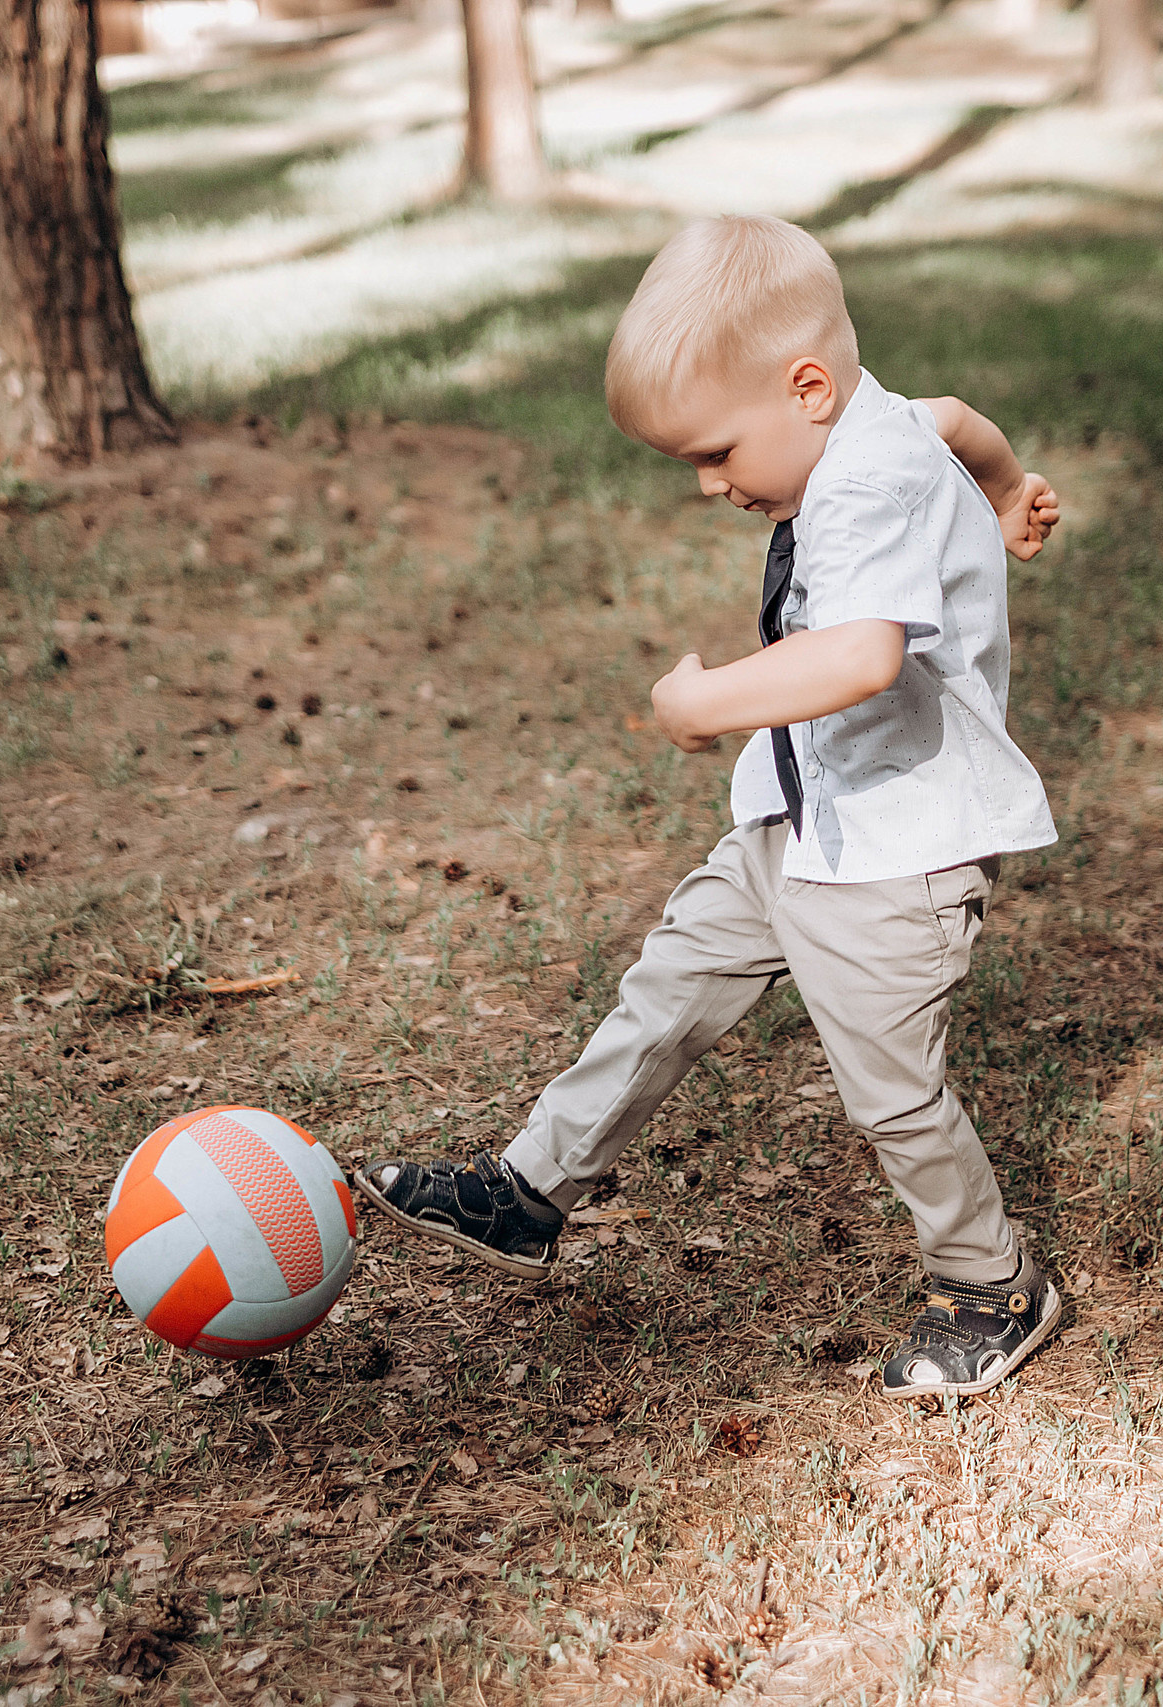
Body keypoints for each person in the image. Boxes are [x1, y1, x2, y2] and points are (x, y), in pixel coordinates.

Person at [358, 214, 1066, 1398]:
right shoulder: (878, 423)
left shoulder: (868, 479)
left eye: (716, 452)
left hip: (897, 852)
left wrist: (708, 702)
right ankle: (530, 1190)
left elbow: (861, 659)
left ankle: (991, 1284)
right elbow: (958, 421)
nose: (708, 484)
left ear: (806, 388)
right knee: (666, 993)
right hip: (799, 819)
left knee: (891, 1094)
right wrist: (1005, 491)